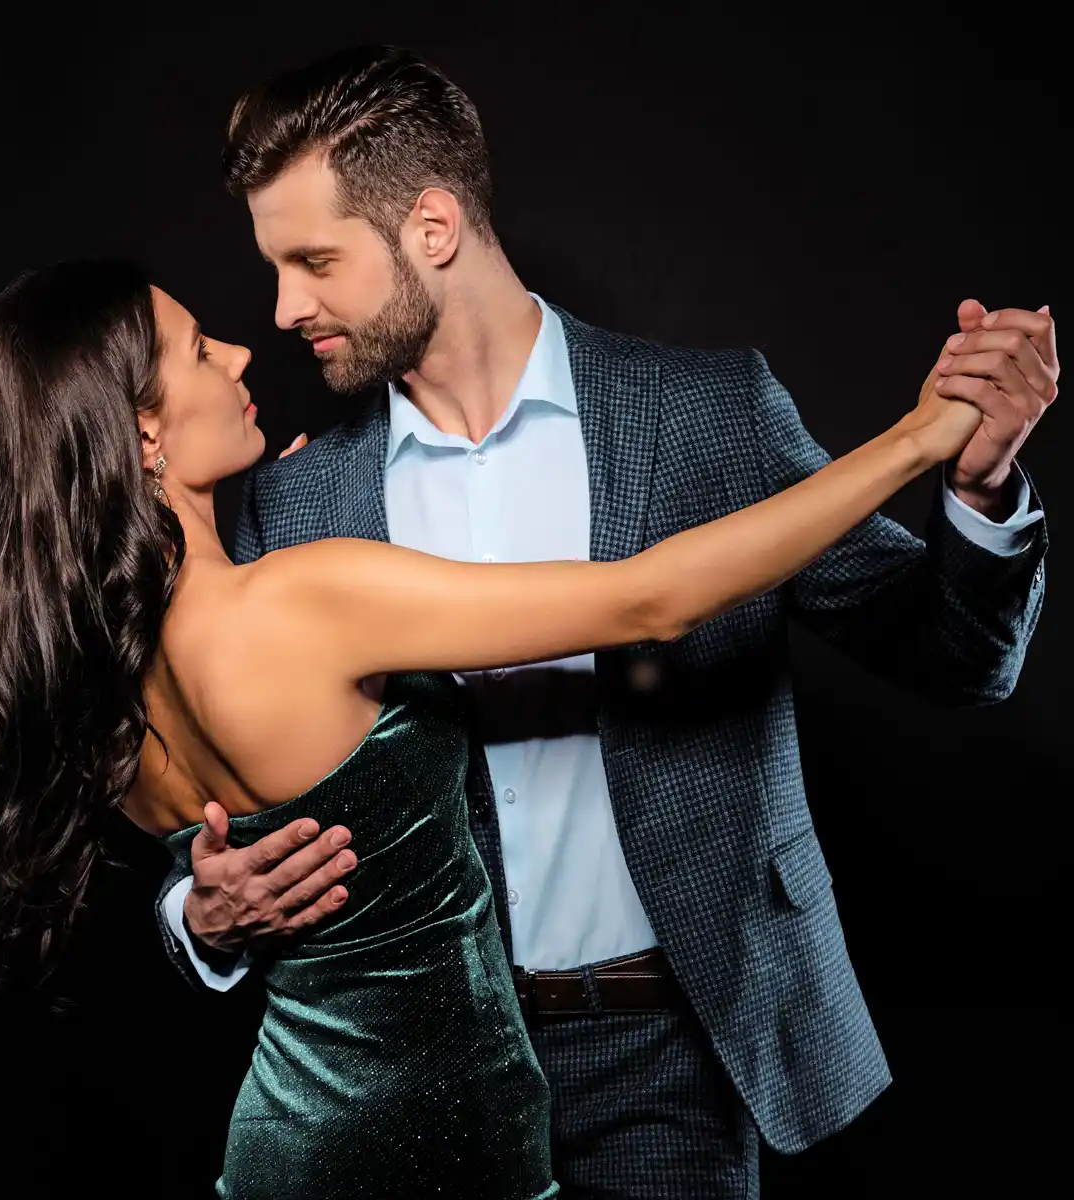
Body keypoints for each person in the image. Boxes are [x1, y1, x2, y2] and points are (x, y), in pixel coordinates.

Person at [158, 45, 1058, 1199]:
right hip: (426, 1082)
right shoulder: (296, 502)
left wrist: (978, 494)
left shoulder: (706, 415)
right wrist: (199, 910)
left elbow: (951, 657)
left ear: (432, 228)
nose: (285, 308)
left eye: (314, 261)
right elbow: (203, 777)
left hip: (675, 1060)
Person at [0, 257, 999, 1198]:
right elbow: (649, 599)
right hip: (459, 1132)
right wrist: (916, 440)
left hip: (295, 1137)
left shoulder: (97, 678)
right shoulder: (304, 593)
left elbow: (213, 844)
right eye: (202, 348)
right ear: (143, 426)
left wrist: (200, 904)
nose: (247, 350)